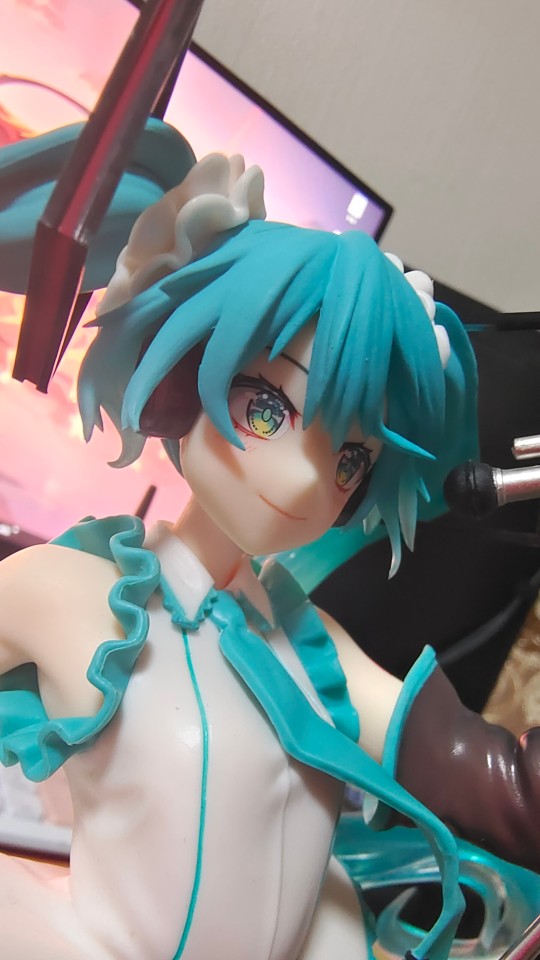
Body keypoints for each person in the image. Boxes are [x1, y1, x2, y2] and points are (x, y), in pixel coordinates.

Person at [0, 123, 536, 960]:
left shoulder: (317, 656)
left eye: (351, 459)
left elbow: (505, 791)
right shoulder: (66, 596)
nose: (304, 482)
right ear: (185, 376)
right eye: (267, 407)